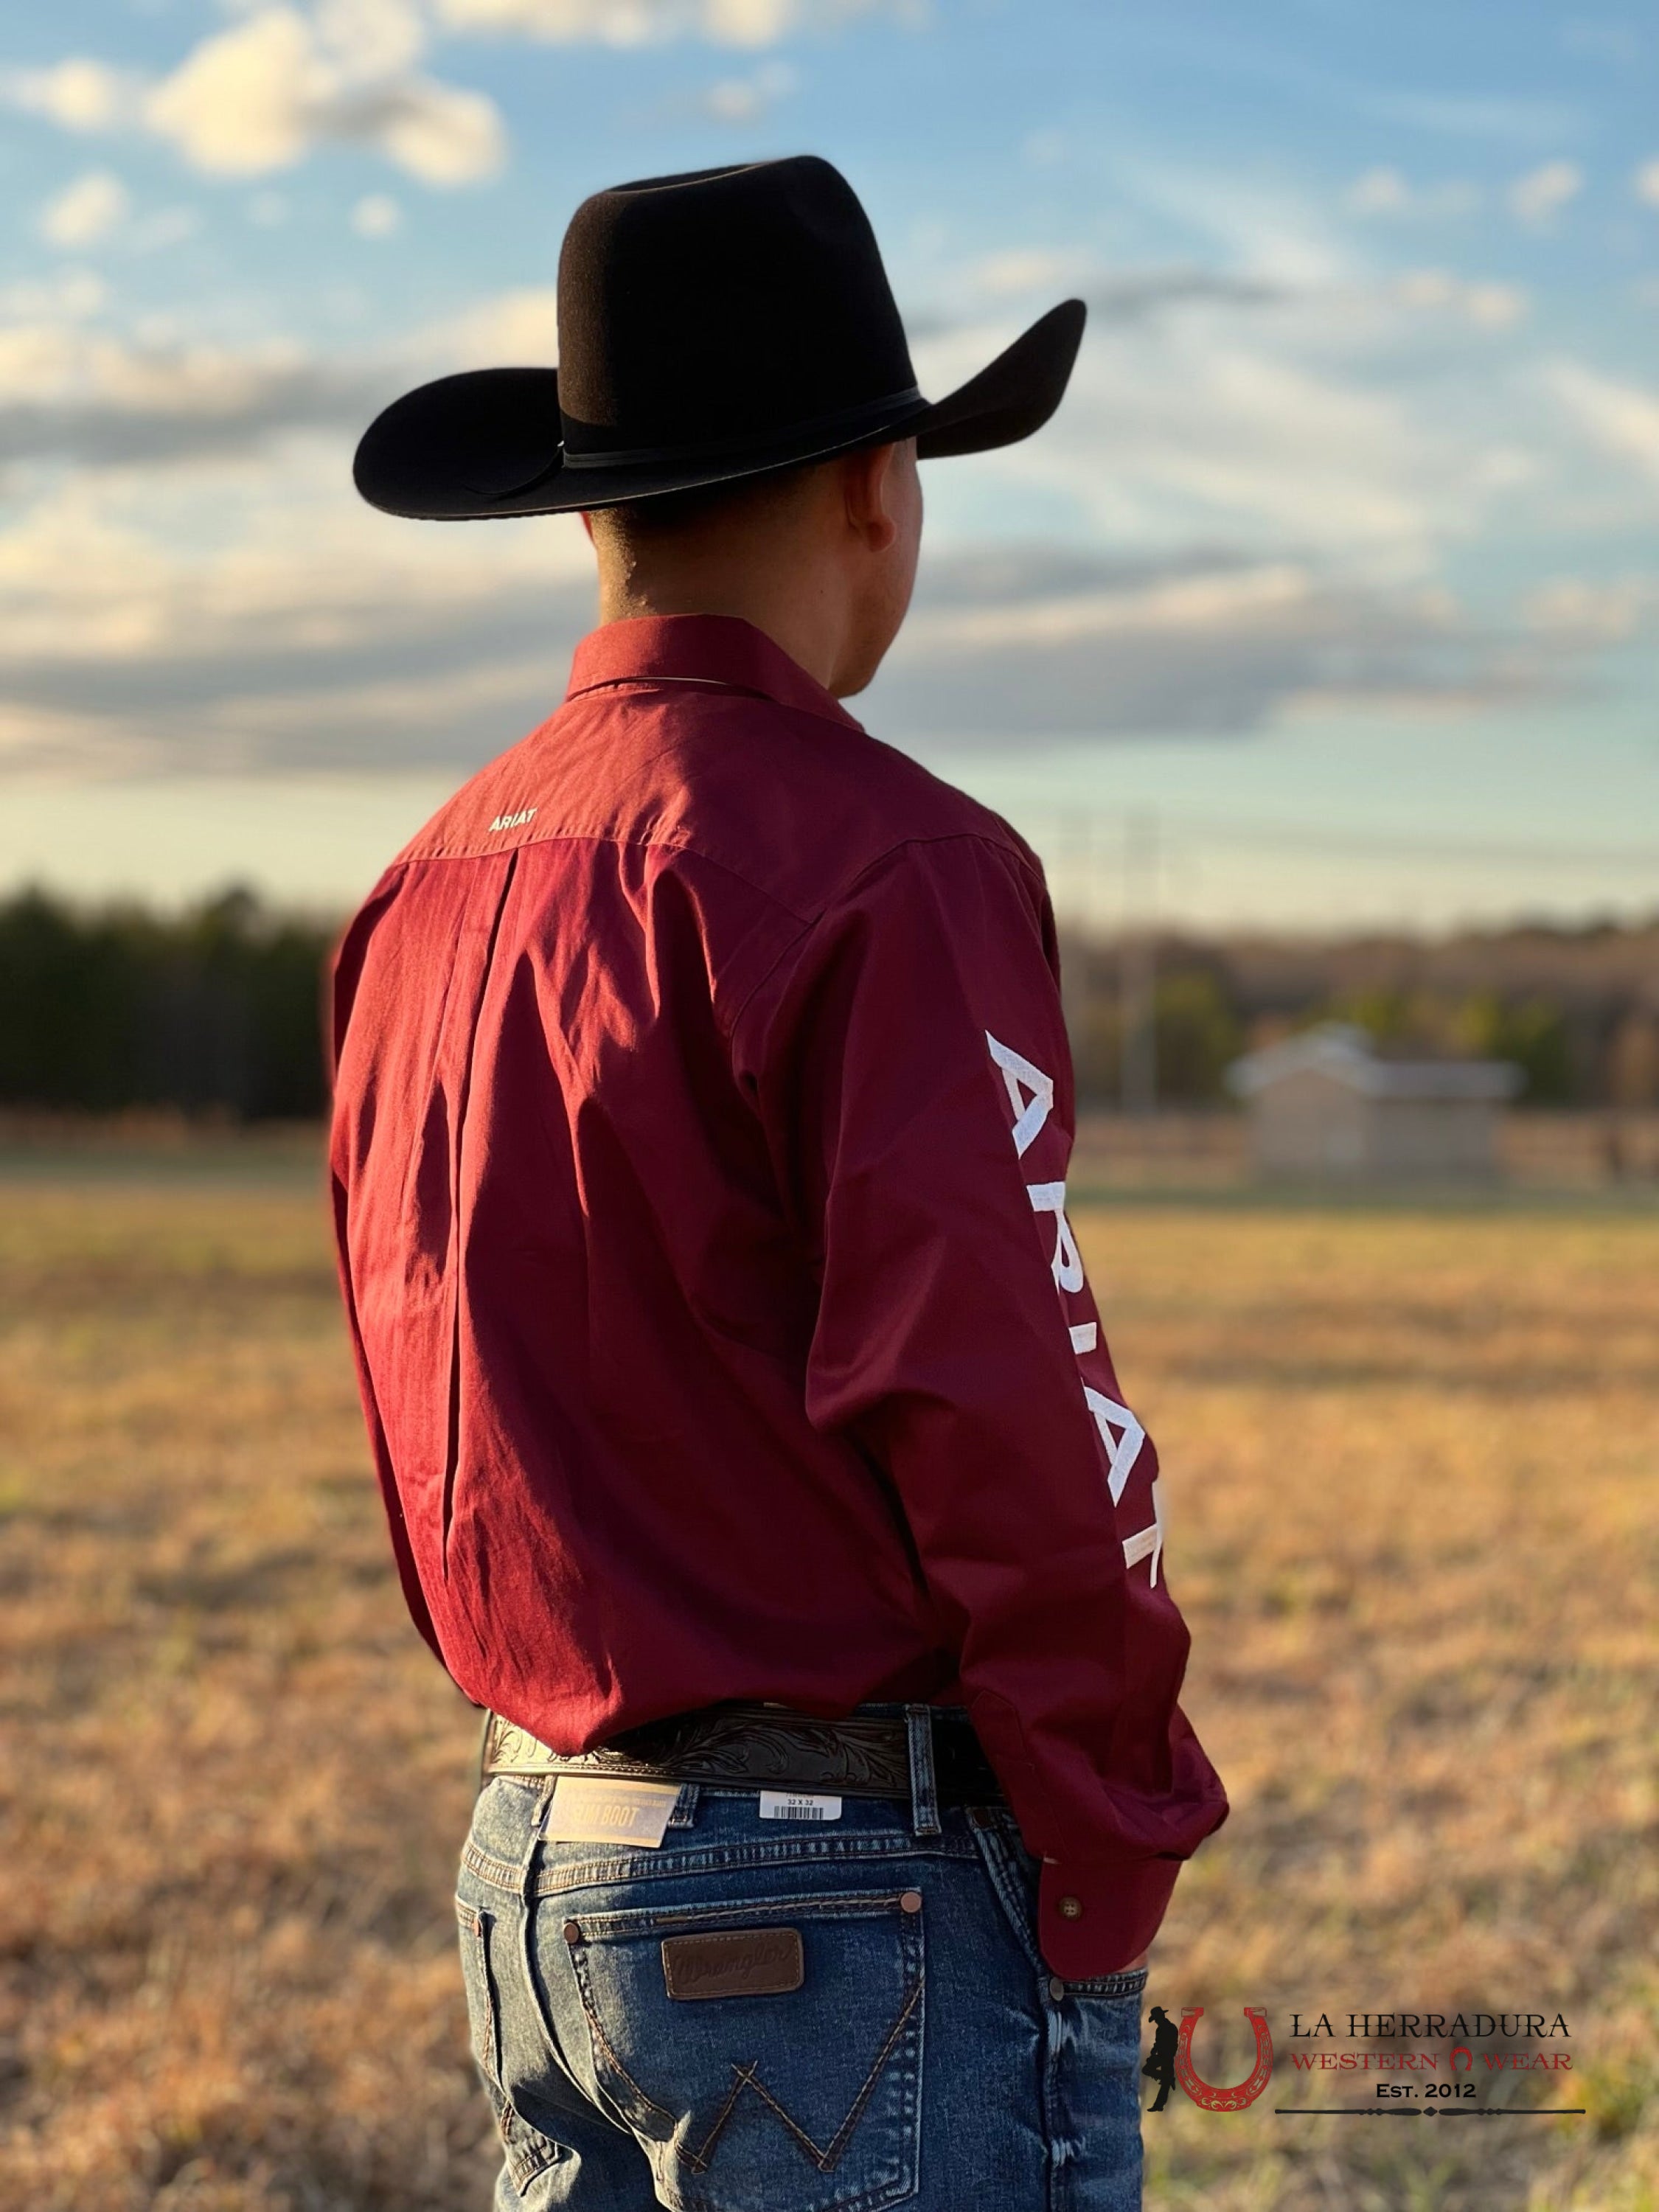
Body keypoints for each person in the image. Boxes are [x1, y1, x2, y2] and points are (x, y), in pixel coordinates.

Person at [331, 155, 1226, 2212]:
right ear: (877, 491)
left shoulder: (420, 887)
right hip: (850, 1901)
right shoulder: (893, 862)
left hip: (538, 1857)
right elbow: (1004, 1396)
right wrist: (1110, 1824)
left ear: (594, 519)